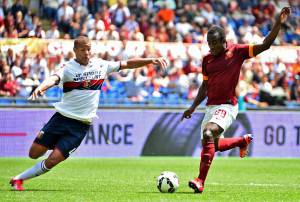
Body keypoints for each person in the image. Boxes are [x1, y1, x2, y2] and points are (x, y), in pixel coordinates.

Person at [10, 36, 167, 191]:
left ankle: (19, 179)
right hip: (61, 119)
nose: (86, 52)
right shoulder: (68, 68)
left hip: (80, 126)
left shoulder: (101, 65)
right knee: (33, 154)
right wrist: (41, 87)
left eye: (89, 49)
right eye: (82, 49)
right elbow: (53, 78)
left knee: (53, 160)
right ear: (75, 51)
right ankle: (45, 146)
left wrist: (150, 60)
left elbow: (127, 64)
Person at [181, 7, 290, 193]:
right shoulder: (207, 60)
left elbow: (265, 45)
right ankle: (242, 141)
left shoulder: (237, 51)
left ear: (224, 41)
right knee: (213, 145)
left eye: (215, 44)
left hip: (228, 106)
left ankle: (200, 181)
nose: (212, 47)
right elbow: (205, 86)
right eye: (209, 44)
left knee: (208, 133)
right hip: (210, 107)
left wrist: (278, 24)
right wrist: (192, 107)